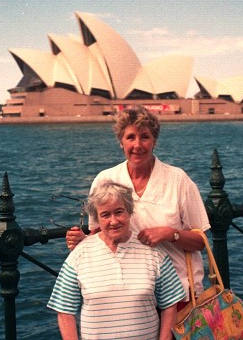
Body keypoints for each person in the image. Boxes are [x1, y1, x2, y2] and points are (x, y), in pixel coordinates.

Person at [66, 105, 211, 308]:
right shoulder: (105, 179)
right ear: (121, 142)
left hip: (178, 292)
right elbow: (100, 236)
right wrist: (83, 241)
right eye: (130, 137)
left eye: (145, 137)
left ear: (154, 141)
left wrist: (171, 234)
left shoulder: (178, 179)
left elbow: (200, 242)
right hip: (128, 294)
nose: (137, 145)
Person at [47, 180, 185, 340]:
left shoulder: (153, 251)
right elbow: (64, 311)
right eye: (105, 215)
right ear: (97, 219)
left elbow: (170, 305)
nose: (113, 221)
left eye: (119, 212)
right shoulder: (80, 254)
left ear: (129, 212)